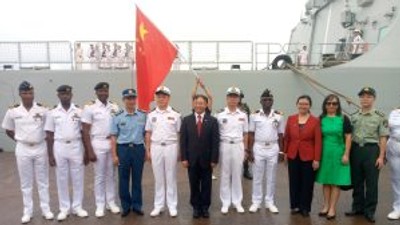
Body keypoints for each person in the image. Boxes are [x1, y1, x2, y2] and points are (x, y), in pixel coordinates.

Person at [1, 81, 54, 224]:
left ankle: (46, 209)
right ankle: (27, 211)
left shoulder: (43, 109)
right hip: (23, 148)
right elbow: (7, 129)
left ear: (33, 93)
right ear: (20, 94)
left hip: (40, 147)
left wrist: (50, 153)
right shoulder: (13, 111)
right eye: (24, 93)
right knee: (26, 182)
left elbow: (49, 130)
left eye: (30, 93)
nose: (28, 95)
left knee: (43, 181)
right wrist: (19, 140)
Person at [44, 85, 88, 221]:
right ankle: (64, 208)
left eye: (67, 94)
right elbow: (49, 134)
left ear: (71, 95)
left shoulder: (79, 111)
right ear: (58, 96)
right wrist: (50, 155)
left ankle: (77, 207)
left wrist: (86, 151)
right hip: (60, 146)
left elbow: (84, 132)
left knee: (78, 177)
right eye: (62, 94)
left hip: (76, 146)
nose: (65, 96)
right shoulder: (52, 112)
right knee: (61, 178)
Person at [345, 87, 388, 223]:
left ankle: (369, 211)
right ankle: (357, 207)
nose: (365, 99)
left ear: (374, 99)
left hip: (371, 151)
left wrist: (381, 157)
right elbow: (349, 136)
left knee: (371, 183)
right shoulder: (354, 116)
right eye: (362, 96)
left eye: (368, 96)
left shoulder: (380, 117)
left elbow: (383, 137)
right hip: (356, 150)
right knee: (357, 181)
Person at [81, 82, 121, 217]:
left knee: (111, 175)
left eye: (106, 90)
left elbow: (119, 125)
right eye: (101, 91)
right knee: (99, 176)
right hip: (97, 142)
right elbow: (85, 130)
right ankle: (100, 204)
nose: (104, 93)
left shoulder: (115, 106)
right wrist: (89, 150)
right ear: (96, 92)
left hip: (111, 142)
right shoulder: (89, 107)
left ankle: (111, 202)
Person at [180, 94, 219, 219]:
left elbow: (215, 141)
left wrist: (214, 159)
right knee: (194, 184)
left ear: (206, 105)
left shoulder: (212, 121)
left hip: (207, 160)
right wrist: (184, 158)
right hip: (191, 160)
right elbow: (183, 141)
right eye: (197, 103)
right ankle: (196, 207)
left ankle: (205, 207)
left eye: (202, 103)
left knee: (207, 185)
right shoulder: (186, 120)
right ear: (193, 104)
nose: (199, 105)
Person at [145, 86, 181, 218]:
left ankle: (172, 205)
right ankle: (158, 205)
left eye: (164, 96)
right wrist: (148, 150)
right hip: (156, 147)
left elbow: (179, 134)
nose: (161, 99)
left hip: (171, 146)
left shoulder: (176, 115)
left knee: (171, 177)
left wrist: (179, 150)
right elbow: (148, 133)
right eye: (159, 96)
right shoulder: (151, 115)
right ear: (155, 98)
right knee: (158, 178)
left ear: (168, 98)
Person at [110, 89, 147, 217]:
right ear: (123, 100)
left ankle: (137, 205)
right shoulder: (117, 116)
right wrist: (114, 155)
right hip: (123, 149)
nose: (131, 101)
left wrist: (146, 150)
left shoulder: (143, 115)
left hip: (138, 149)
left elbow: (146, 134)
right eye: (128, 98)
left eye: (133, 98)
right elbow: (113, 137)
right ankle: (125, 206)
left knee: (137, 179)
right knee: (123, 179)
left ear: (135, 99)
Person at [283, 95, 322, 217]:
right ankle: (294, 205)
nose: (303, 106)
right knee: (294, 181)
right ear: (297, 104)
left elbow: (318, 141)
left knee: (307, 183)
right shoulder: (291, 119)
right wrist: (285, 152)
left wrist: (316, 159)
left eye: (305, 104)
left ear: (309, 106)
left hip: (308, 156)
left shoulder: (315, 121)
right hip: (293, 154)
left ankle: (305, 207)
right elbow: (287, 137)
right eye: (301, 103)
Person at [315, 94, 352, 220]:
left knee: (336, 182)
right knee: (326, 181)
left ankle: (332, 208)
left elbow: (348, 137)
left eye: (334, 103)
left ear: (338, 106)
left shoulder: (343, 118)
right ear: (325, 105)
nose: (331, 105)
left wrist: (346, 154)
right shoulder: (320, 118)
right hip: (324, 152)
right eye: (329, 103)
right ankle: (325, 205)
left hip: (338, 152)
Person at [248, 89, 284, 214]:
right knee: (257, 176)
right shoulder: (254, 115)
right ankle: (256, 202)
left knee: (271, 177)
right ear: (260, 101)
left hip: (273, 148)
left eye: (269, 99)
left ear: (273, 101)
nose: (267, 101)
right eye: (264, 100)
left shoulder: (279, 116)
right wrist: (250, 151)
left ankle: (270, 202)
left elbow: (280, 135)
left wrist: (281, 152)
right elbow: (251, 134)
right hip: (258, 147)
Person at [217, 87, 249, 214]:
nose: (233, 99)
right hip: (224, 145)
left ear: (239, 99)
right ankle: (225, 202)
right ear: (227, 98)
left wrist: (246, 149)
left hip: (238, 146)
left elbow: (246, 134)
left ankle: (237, 201)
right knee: (225, 174)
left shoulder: (243, 115)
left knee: (237, 173)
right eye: (230, 96)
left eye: (235, 97)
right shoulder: (220, 115)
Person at [387, 107, 400, 220]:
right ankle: (397, 209)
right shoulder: (394, 112)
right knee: (396, 179)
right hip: (394, 145)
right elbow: (388, 126)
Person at [239, 91, 253, 180]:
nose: (238, 98)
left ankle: (246, 170)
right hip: (235, 133)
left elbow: (249, 119)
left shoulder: (245, 107)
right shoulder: (231, 106)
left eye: (240, 96)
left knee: (246, 150)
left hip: (244, 131)